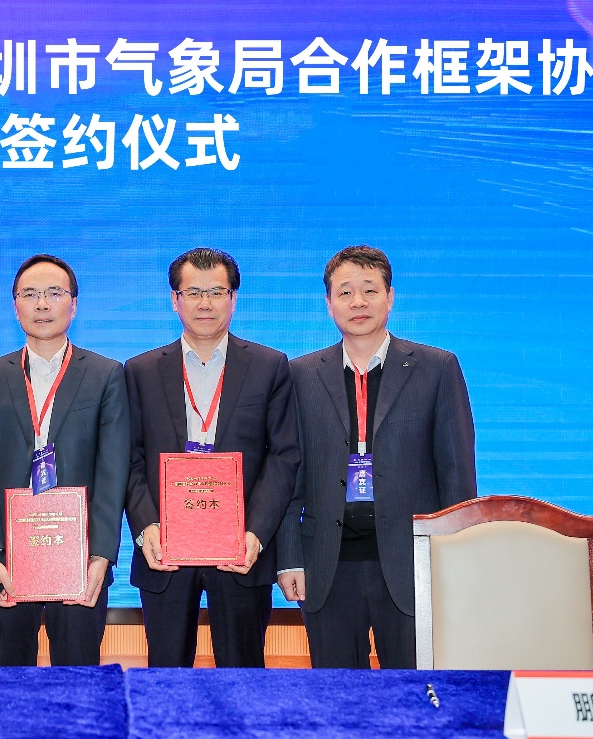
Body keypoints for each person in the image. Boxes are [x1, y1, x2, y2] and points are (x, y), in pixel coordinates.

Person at [276, 245, 476, 669]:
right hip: (327, 564)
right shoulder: (301, 375)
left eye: (370, 290)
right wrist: (289, 558)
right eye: (345, 292)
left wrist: (453, 563)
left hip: (411, 564)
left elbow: (457, 474)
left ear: (390, 297)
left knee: (414, 692)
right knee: (337, 696)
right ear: (328, 303)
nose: (358, 302)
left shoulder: (436, 367)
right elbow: (288, 478)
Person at [125, 248, 300, 667]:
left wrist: (256, 532)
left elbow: (283, 456)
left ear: (233, 298)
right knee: (166, 677)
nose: (205, 303)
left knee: (242, 675)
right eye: (193, 292)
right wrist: (146, 526)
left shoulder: (269, 366)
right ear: (175, 299)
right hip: (166, 549)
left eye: (216, 292)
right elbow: (128, 458)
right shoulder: (140, 371)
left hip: (240, 550)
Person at [0, 254, 130, 666]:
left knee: (77, 681)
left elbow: (113, 473)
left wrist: (100, 556)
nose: (42, 304)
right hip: (7, 560)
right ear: (15, 305)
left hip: (78, 559)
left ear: (74, 304)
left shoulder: (106, 374)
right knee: (9, 681)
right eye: (30, 294)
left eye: (54, 294)